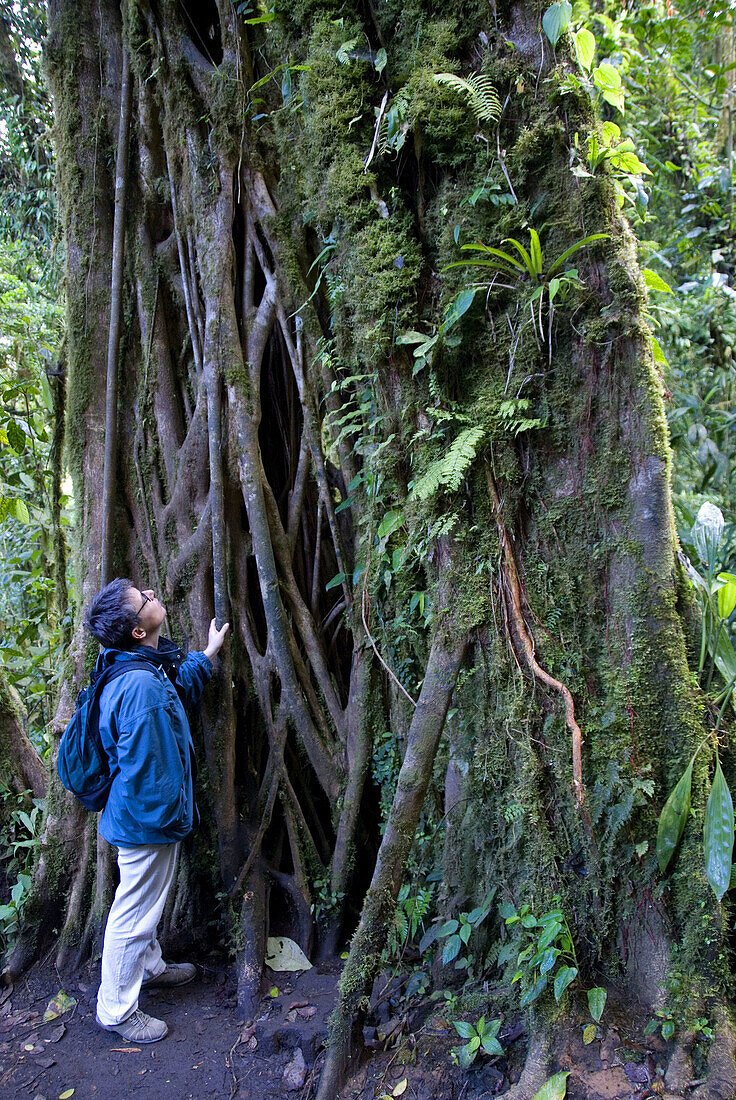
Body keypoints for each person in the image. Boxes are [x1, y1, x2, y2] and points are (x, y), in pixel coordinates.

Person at [84, 578, 229, 1044]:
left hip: (140, 820)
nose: (150, 593)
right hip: (146, 824)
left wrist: (208, 653)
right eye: (141, 599)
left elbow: (176, 688)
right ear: (136, 629)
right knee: (134, 913)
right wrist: (171, 823)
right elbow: (150, 773)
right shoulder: (140, 687)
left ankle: (150, 967)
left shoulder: (138, 665)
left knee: (143, 902)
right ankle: (117, 1011)